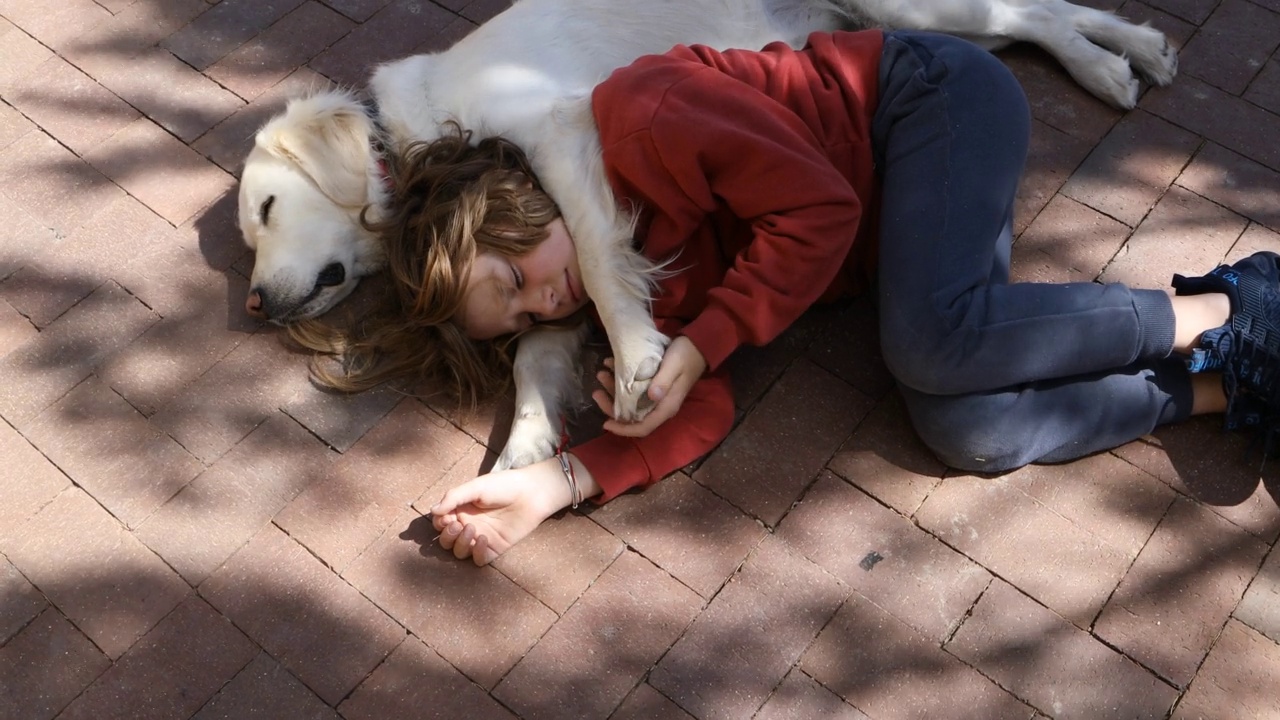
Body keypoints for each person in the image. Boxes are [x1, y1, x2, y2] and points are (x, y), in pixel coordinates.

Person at [300, 29, 1280, 566]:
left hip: (925, 108)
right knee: (964, 432)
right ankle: (1225, 385)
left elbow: (819, 205)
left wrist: (700, 339)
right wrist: (554, 487)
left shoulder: (638, 118)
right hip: (890, 248)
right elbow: (710, 400)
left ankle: (1233, 312)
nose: (540, 303)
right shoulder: (623, 301)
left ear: (506, 196)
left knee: (931, 346)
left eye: (512, 275)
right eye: (518, 318)